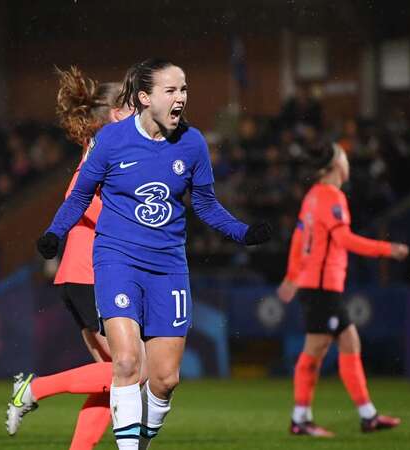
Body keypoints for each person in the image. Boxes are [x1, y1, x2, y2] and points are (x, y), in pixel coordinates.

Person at [36, 59, 271, 450]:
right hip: (116, 260)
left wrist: (243, 233)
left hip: (168, 267)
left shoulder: (192, 143)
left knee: (164, 379)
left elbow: (207, 204)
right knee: (126, 362)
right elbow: (80, 194)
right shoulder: (111, 140)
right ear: (145, 98)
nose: (180, 98)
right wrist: (54, 234)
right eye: (171, 90)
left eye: (184, 89)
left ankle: (138, 442)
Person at [5, 66, 134, 449]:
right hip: (90, 271)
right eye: (134, 104)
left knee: (113, 374)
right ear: (116, 111)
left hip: (85, 270)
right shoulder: (107, 143)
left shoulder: (105, 144)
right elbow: (76, 198)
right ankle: (33, 389)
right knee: (132, 370)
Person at [277, 142, 409, 437]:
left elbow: (299, 239)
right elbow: (345, 240)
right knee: (316, 350)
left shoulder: (312, 197)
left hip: (317, 285)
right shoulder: (331, 197)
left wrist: (292, 275)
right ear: (337, 165)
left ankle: (367, 415)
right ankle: (301, 419)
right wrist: (388, 249)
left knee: (346, 344)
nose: (348, 163)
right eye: (345, 157)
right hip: (322, 287)